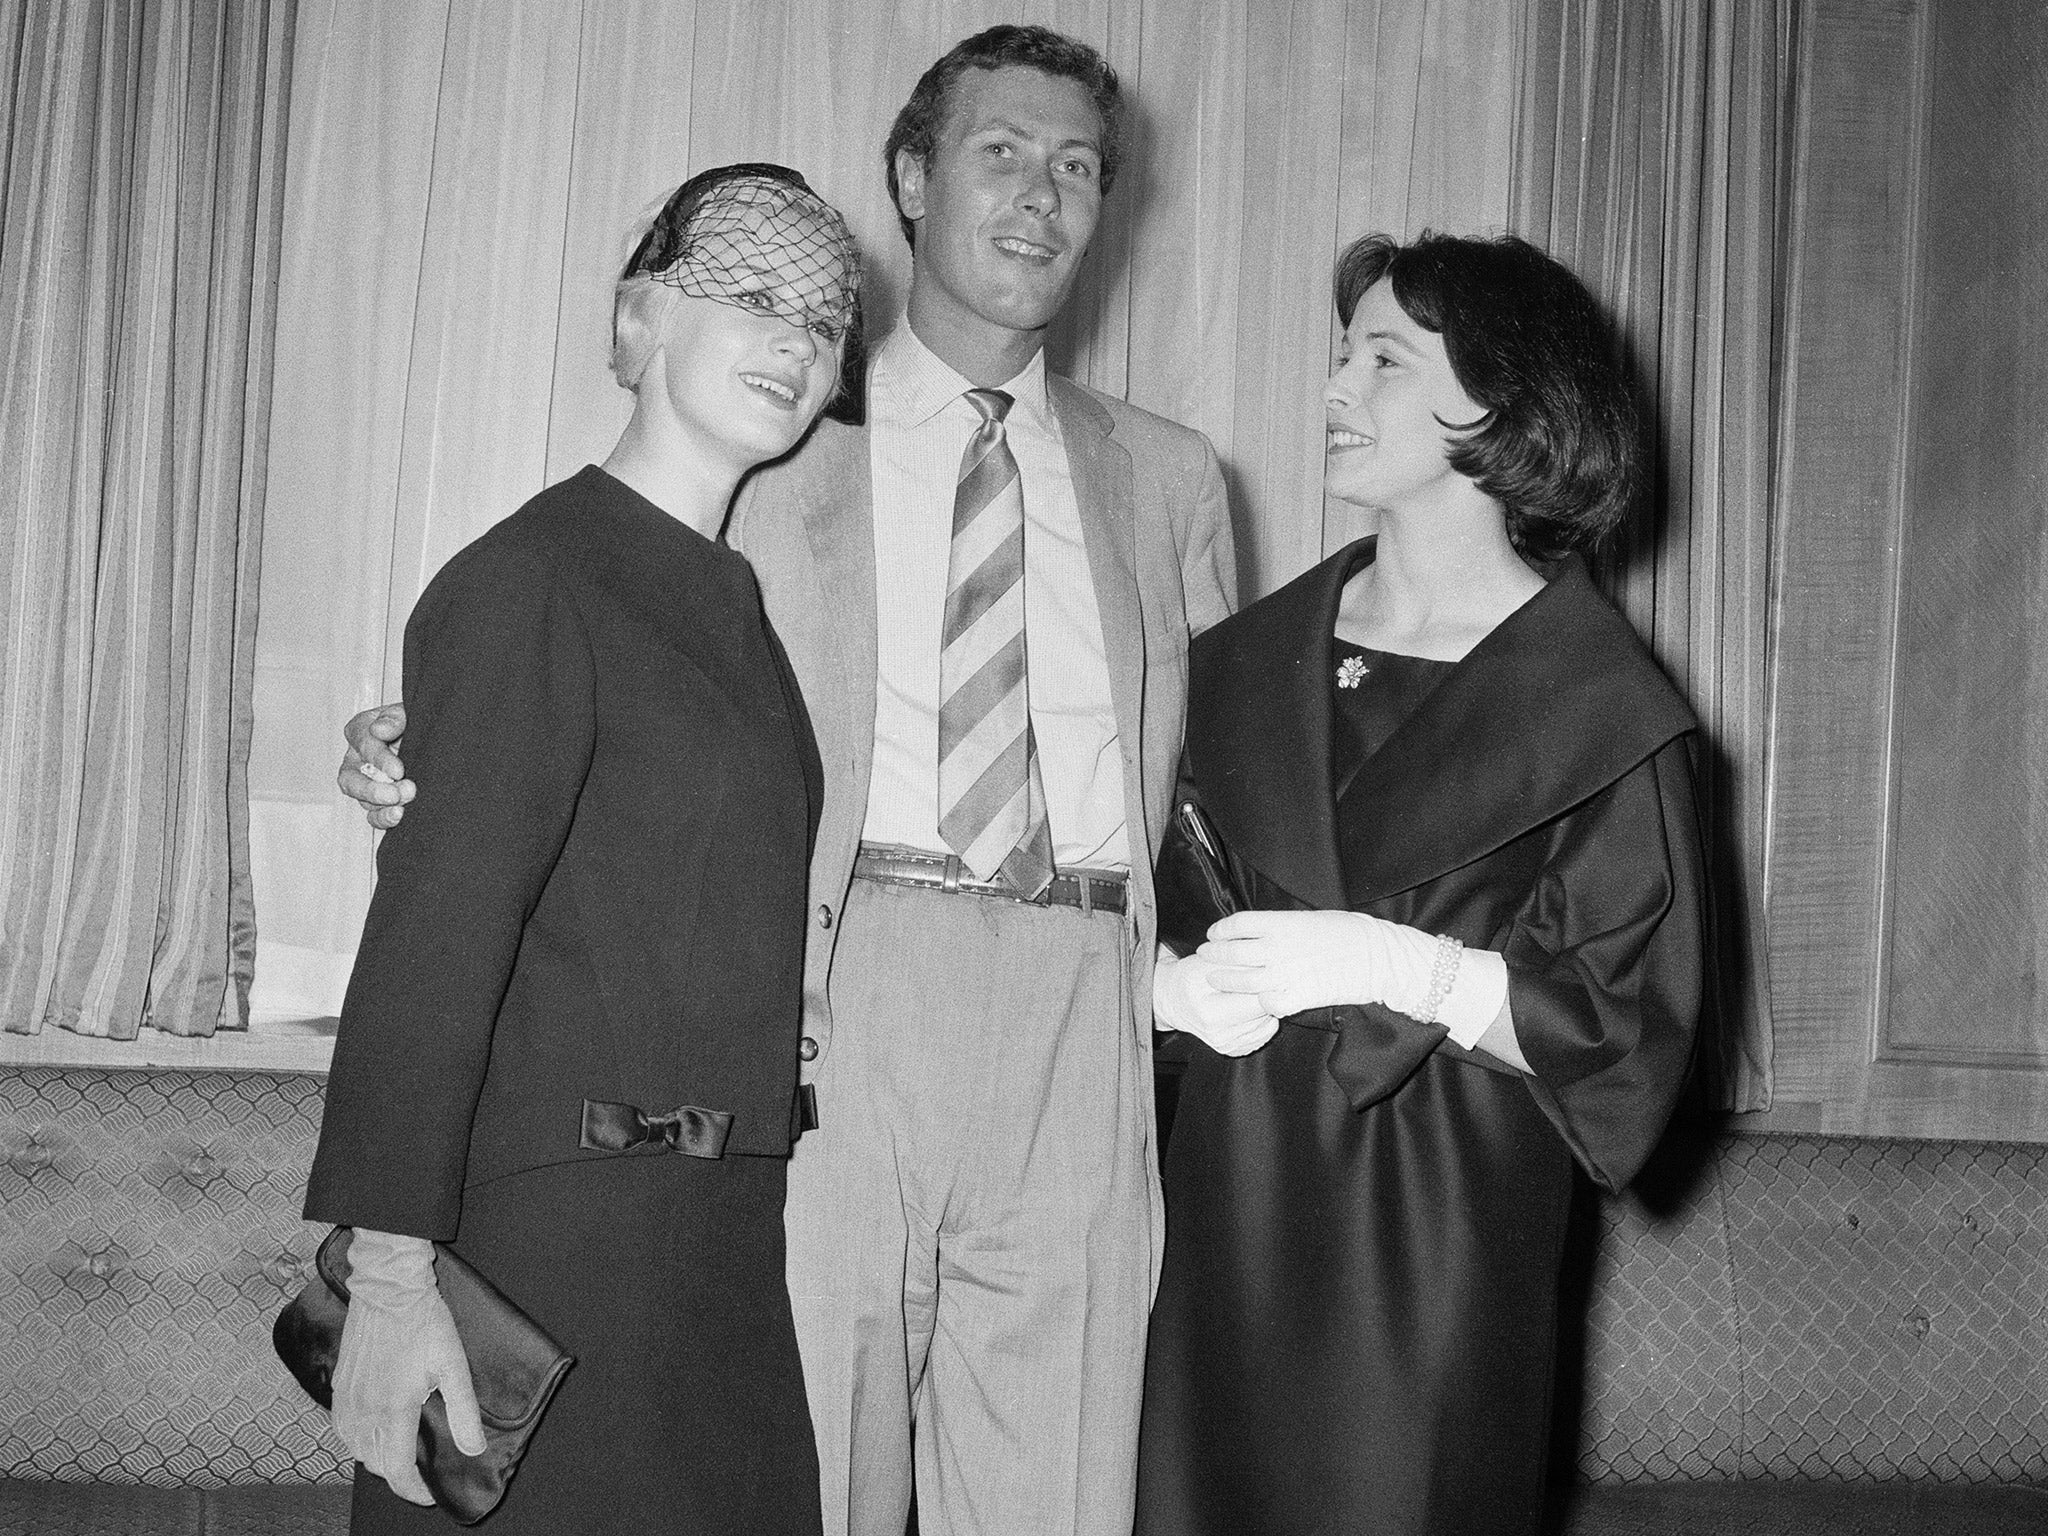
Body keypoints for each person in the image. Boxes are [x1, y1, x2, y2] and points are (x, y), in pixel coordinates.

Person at [337, 26, 1236, 1536]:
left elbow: (1225, 779)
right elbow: (583, 670)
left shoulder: (1175, 478)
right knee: (803, 1481)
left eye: (1078, 167)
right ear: (912, 179)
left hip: (1084, 1012)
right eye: (1000, 153)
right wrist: (409, 745)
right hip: (836, 1011)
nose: (1042, 197)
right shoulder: (776, 448)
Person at [304, 163, 862, 1535]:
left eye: (828, 316)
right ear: (637, 324)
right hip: (559, 1250)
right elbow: (435, 943)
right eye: (750, 292)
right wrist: (387, 1282)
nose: (796, 337)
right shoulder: (532, 577)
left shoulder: (733, 594)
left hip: (718, 1253)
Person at [1134, 232, 1706, 1536]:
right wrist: (1164, 992)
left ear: (1504, 402)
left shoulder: (1603, 713)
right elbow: (1145, 924)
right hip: (1220, 1222)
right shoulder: (1234, 668)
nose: (1336, 390)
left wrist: (1421, 973)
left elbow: (1628, 1042)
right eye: (1343, 356)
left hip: (1437, 1241)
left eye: (1383, 359)